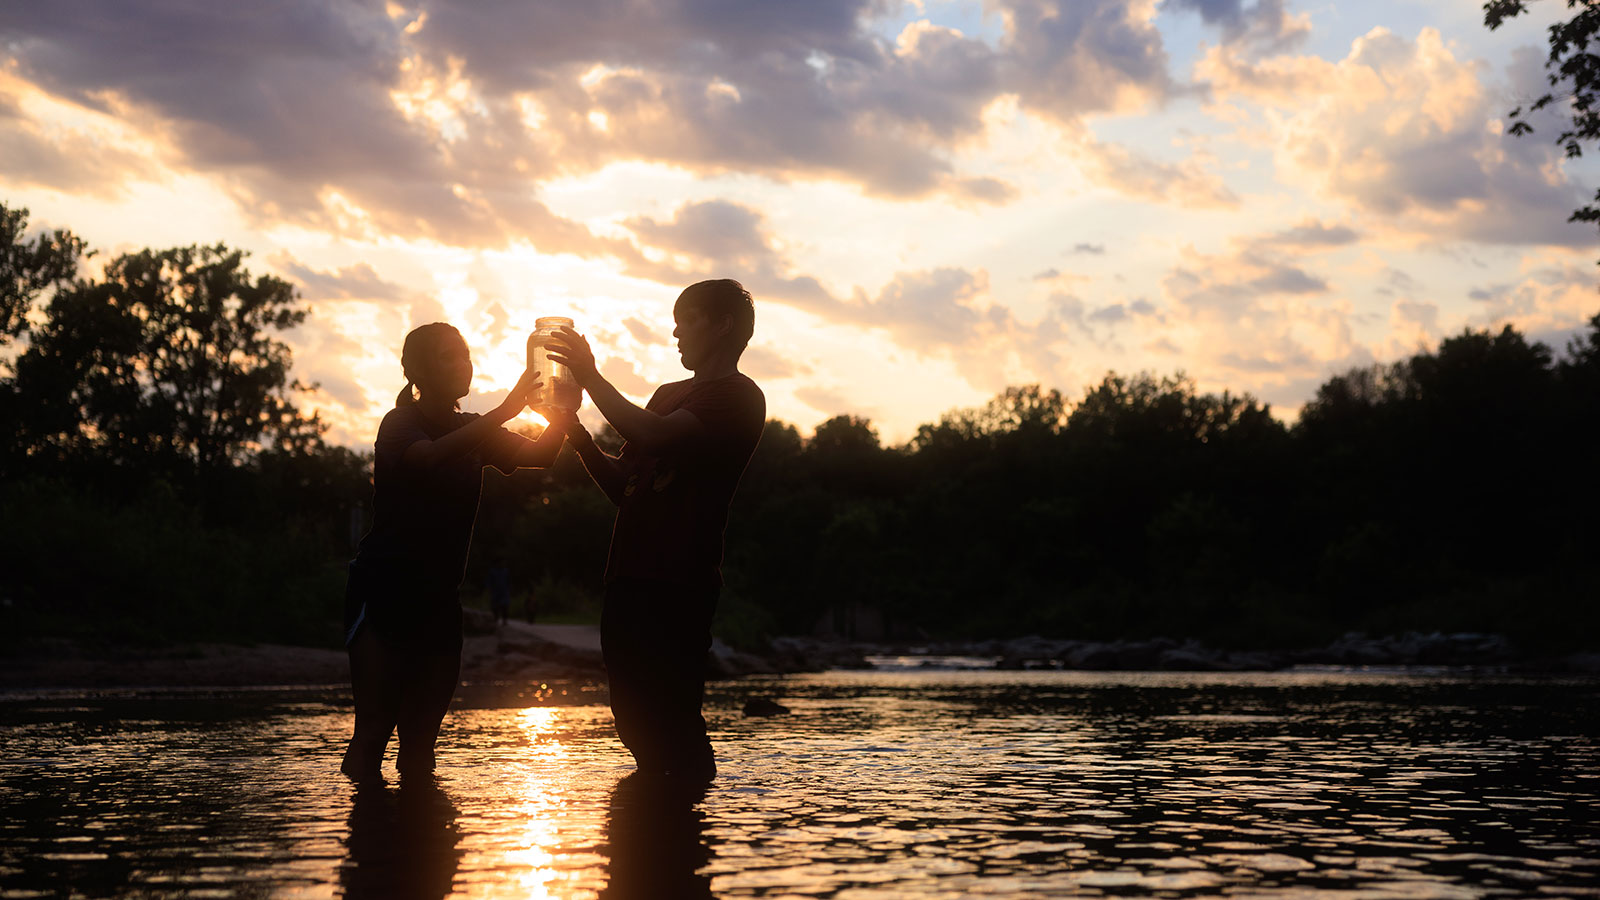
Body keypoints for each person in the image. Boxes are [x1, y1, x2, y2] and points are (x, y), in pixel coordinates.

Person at [548, 279, 765, 781]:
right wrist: (575, 431)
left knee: (672, 713)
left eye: (685, 320)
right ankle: (659, 827)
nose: (674, 332)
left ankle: (686, 822)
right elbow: (625, 486)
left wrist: (591, 374)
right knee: (631, 718)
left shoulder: (738, 396)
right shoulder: (667, 394)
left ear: (722, 326)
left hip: (680, 582)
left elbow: (654, 433)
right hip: (628, 575)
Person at [341, 322, 571, 782]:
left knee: (421, 747)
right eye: (450, 356)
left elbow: (543, 455)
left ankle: (417, 844)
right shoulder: (399, 424)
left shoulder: (474, 430)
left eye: (466, 354)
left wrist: (564, 408)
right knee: (372, 735)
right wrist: (504, 410)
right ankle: (368, 846)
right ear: (419, 371)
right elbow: (426, 458)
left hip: (440, 601)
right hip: (384, 593)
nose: (464, 364)